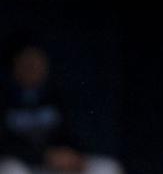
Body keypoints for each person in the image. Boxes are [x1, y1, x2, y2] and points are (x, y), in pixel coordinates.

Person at [0, 41, 124, 174]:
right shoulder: (5, 98)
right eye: (27, 63)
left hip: (56, 165)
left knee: (106, 167)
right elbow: (5, 143)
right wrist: (43, 156)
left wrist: (73, 154)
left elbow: (74, 134)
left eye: (37, 62)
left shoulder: (57, 95)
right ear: (14, 65)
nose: (33, 67)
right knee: (10, 169)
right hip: (26, 164)